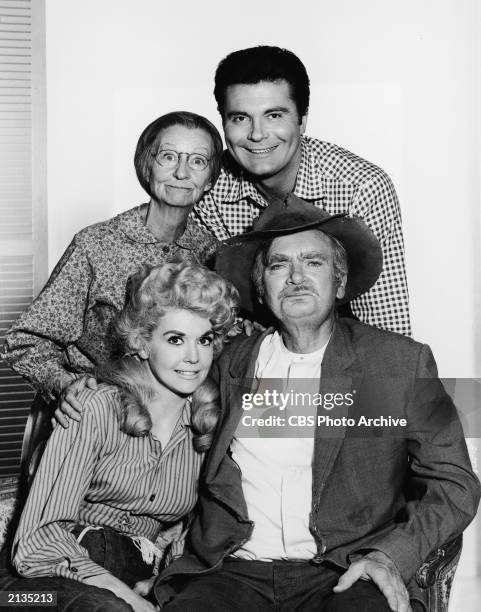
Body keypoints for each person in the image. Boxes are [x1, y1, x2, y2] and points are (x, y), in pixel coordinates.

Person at [154, 196, 480, 612]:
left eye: (313, 262)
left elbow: (455, 483)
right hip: (231, 572)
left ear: (340, 284)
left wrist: (388, 556)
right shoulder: (228, 361)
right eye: (278, 265)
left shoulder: (396, 363)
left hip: (344, 572)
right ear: (261, 286)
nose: (295, 277)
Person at [3, 261, 238, 612]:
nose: (193, 357)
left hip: (134, 570)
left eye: (204, 340)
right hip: (37, 587)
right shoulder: (97, 407)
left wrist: (165, 575)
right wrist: (123, 596)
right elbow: (38, 541)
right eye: (175, 339)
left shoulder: (206, 424)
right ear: (143, 344)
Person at [2, 111, 222, 425]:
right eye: (169, 156)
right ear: (148, 166)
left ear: (211, 178)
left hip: (175, 424)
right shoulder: (96, 244)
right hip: (95, 418)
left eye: (198, 161)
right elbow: (25, 341)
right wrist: (66, 386)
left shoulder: (211, 250)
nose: (182, 172)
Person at [192, 45, 411, 335]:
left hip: (342, 354)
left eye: (274, 116)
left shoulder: (361, 187)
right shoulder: (207, 186)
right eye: (240, 118)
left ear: (302, 120)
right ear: (224, 124)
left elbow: (387, 334)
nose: (257, 134)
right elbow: (204, 316)